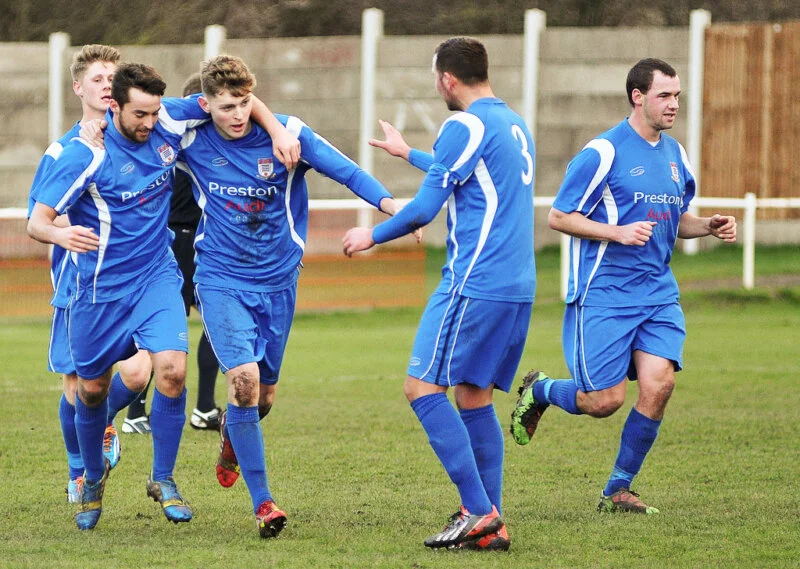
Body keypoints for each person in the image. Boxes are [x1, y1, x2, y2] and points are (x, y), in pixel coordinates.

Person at [27, 62, 299, 531]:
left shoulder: (169, 120)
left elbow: (236, 96)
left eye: (155, 113)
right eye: (140, 115)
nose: (150, 123)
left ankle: (164, 479)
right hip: (100, 290)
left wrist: (276, 130)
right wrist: (59, 234)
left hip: (156, 276)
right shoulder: (83, 153)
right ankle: (92, 479)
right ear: (114, 107)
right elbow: (36, 221)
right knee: (91, 390)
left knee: (171, 370)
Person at [172, 54, 405, 538]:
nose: (237, 115)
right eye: (225, 107)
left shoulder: (290, 135)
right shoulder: (190, 137)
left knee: (263, 399)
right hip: (220, 276)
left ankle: (233, 437)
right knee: (243, 382)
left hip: (278, 281)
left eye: (244, 104)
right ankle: (264, 504)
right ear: (205, 104)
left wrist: (391, 206)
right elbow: (142, 117)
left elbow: (347, 172)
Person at [509, 58, 737, 515]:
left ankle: (617, 489)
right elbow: (559, 216)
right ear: (638, 96)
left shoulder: (675, 154)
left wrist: (706, 226)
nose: (674, 104)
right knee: (604, 401)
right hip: (604, 295)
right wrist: (617, 232)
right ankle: (541, 391)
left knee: (660, 385)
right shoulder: (603, 152)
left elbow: (675, 221)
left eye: (677, 96)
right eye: (664, 95)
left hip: (657, 294)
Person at [343, 37, 536, 551]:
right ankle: (491, 523)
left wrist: (372, 235)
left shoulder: (462, 125)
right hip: (518, 286)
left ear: (447, 79)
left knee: (421, 388)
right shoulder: (512, 123)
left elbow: (426, 208)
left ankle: (477, 510)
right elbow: (467, 169)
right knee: (473, 396)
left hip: (474, 282)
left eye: (436, 79)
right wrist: (408, 152)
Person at [26, 44, 153, 503]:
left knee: (138, 372)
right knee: (77, 384)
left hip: (134, 279)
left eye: (112, 79)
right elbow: (40, 214)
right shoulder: (64, 150)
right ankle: (78, 471)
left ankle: (102, 422)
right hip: (79, 282)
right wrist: (72, 226)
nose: (106, 86)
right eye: (97, 79)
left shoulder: (143, 138)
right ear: (78, 88)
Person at [122, 71, 222, 435]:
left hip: (194, 242)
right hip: (182, 243)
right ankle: (139, 411)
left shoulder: (177, 142)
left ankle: (202, 407)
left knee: (213, 322)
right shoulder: (187, 145)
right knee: (167, 330)